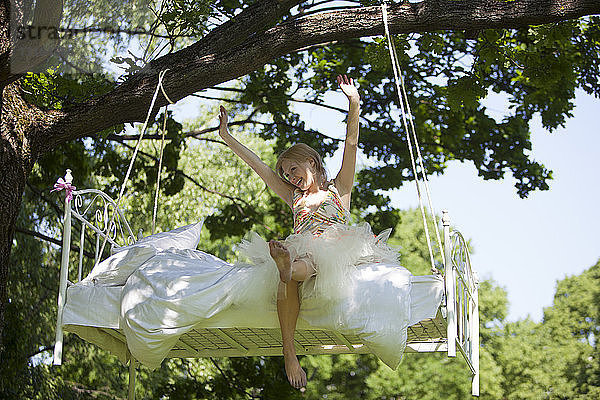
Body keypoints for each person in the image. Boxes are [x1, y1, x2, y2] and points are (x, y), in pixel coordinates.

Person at [218, 75, 396, 389]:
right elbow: (258, 165)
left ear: (311, 162)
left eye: (294, 170)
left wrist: (354, 103)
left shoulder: (339, 189)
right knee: (289, 272)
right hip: (299, 246)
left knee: (310, 262)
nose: (290, 177)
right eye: (286, 174)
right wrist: (227, 137)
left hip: (332, 244)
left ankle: (288, 268)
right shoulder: (294, 197)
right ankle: (290, 351)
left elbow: (351, 145)